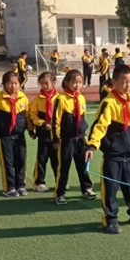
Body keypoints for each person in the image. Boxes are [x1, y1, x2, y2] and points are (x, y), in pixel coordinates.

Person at [85, 64, 130, 234]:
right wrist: (92, 145)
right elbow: (99, 126)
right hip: (113, 157)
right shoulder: (109, 103)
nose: (128, 85)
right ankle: (111, 219)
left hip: (129, 157)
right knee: (111, 189)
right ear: (114, 82)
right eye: (124, 81)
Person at [0, 70, 31, 197]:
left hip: (19, 136)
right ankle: (9, 187)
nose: (13, 86)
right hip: (4, 137)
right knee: (7, 163)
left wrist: (30, 129)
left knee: (21, 161)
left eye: (15, 83)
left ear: (19, 84)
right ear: (3, 84)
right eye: (9, 83)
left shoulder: (23, 98)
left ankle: (20, 185)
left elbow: (27, 116)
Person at [52, 69, 97, 204]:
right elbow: (55, 120)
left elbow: (82, 117)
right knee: (64, 167)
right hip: (66, 139)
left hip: (81, 138)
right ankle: (60, 193)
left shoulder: (81, 98)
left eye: (80, 82)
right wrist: (56, 139)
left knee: (83, 165)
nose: (77, 85)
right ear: (67, 82)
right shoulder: (61, 99)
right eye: (74, 82)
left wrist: (85, 135)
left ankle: (86, 188)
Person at [28, 71, 59, 192]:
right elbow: (32, 115)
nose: (44, 86)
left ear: (53, 82)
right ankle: (39, 182)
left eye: (46, 83)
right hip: (43, 134)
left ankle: (59, 180)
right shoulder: (37, 99)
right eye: (41, 84)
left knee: (57, 159)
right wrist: (42, 123)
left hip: (56, 135)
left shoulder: (60, 99)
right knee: (42, 159)